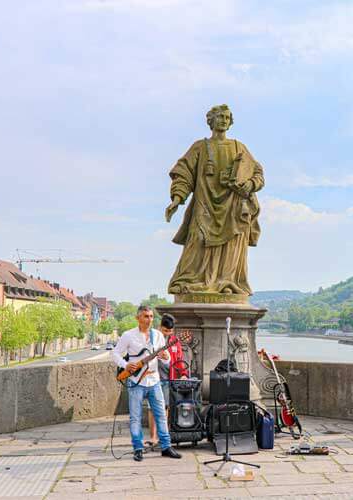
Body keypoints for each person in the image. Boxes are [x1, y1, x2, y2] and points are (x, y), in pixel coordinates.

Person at [165, 104, 265, 296]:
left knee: (231, 247)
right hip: (205, 205)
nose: (224, 120)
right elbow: (184, 173)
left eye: (227, 118)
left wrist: (250, 185)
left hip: (234, 208)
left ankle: (226, 281)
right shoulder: (200, 147)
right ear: (211, 121)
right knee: (197, 241)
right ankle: (192, 280)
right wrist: (177, 199)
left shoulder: (239, 147)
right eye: (220, 117)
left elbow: (257, 173)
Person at [111, 305, 182, 462]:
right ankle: (138, 448)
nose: (149, 319)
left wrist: (166, 356)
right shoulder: (128, 335)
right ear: (138, 318)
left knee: (161, 415)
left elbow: (168, 358)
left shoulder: (157, 335)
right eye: (145, 316)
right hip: (136, 381)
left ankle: (166, 447)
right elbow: (114, 353)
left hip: (154, 380)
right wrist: (125, 365)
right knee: (135, 417)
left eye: (151, 316)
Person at [149, 313, 190, 444]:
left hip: (168, 379)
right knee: (151, 408)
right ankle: (153, 437)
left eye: (170, 331)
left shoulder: (174, 341)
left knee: (164, 408)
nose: (167, 333)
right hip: (151, 377)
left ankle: (163, 436)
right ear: (160, 327)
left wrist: (183, 373)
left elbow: (179, 359)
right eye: (165, 330)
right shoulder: (151, 338)